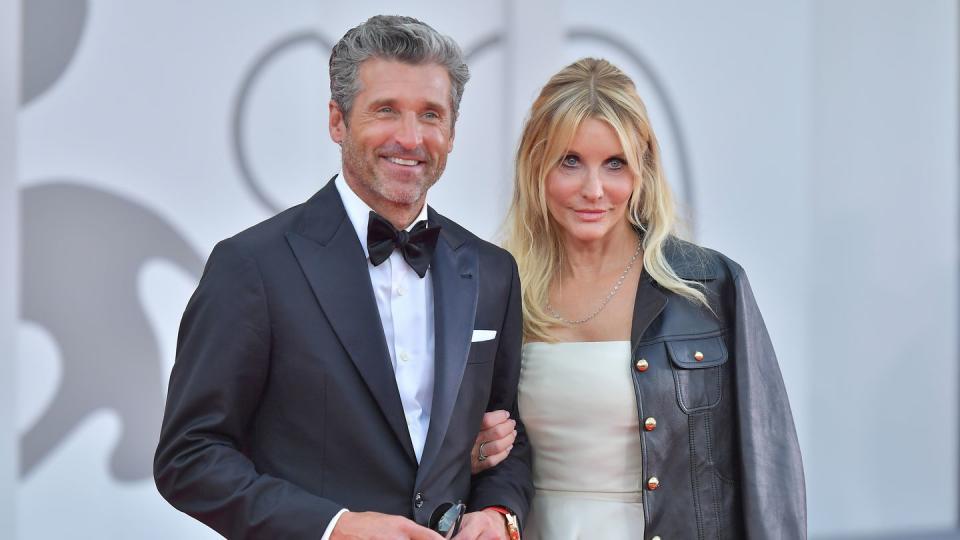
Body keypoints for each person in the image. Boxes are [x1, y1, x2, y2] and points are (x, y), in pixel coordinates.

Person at [154, 15, 532, 540]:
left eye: (430, 114)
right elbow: (189, 456)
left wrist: (498, 515)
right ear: (337, 121)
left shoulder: (492, 271)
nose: (410, 137)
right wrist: (333, 528)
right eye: (386, 111)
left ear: (451, 131)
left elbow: (510, 439)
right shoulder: (253, 266)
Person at [472, 57, 806, 539]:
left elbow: (768, 473)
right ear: (535, 166)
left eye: (615, 164)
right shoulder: (493, 289)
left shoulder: (710, 287)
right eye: (570, 161)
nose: (594, 190)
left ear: (642, 171)